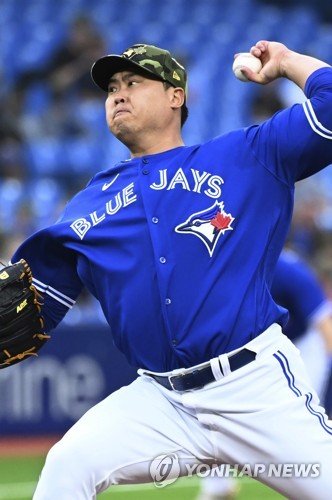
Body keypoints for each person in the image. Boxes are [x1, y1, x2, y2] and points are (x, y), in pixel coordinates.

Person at [7, 40, 332, 498]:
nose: (118, 93)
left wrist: (287, 64)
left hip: (254, 388)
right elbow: (28, 305)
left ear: (176, 96)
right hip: (161, 402)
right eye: (112, 87)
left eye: (134, 82)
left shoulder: (247, 156)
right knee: (68, 463)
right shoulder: (87, 205)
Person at [198, 247, 332, 499]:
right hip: (254, 348)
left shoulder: (286, 269)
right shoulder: (224, 267)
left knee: (303, 416)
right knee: (213, 404)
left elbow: (324, 322)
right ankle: (218, 488)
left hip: (304, 343)